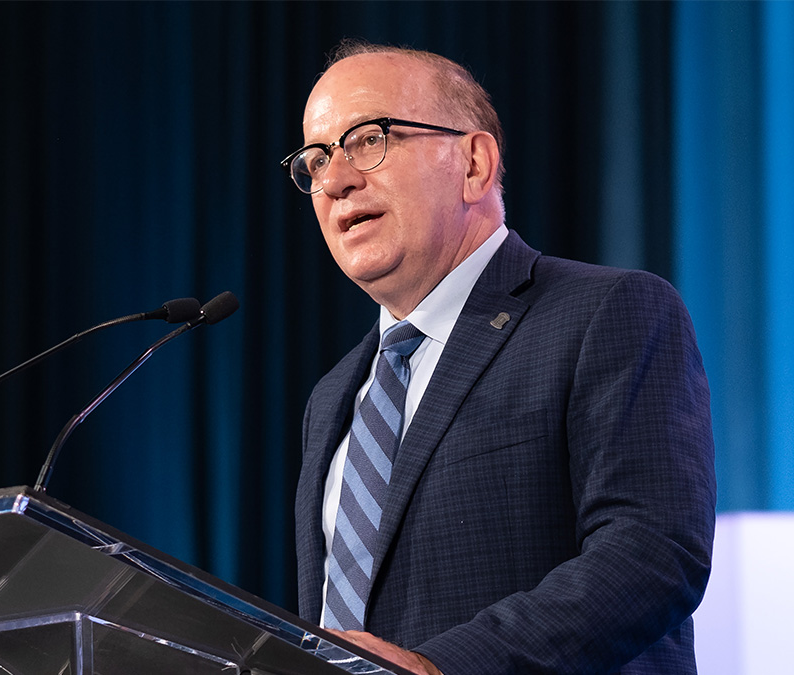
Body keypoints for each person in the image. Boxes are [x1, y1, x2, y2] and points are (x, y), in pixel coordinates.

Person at [284, 39, 715, 675]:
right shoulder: (335, 395)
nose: (337, 180)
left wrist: (438, 668)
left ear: (475, 165)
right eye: (316, 161)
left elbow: (651, 552)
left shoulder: (608, 312)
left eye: (368, 139)